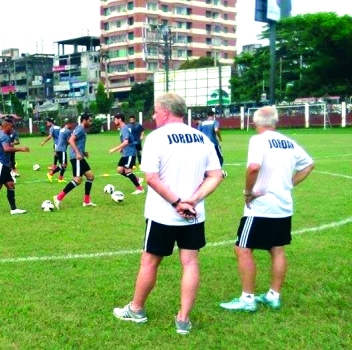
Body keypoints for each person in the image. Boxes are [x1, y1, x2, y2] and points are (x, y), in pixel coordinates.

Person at [112, 92, 223, 335]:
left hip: (163, 214)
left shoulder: (157, 137)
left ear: (165, 111)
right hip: (193, 214)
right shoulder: (201, 138)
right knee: (191, 263)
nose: (153, 115)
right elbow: (216, 175)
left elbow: (151, 178)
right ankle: (183, 320)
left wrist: (177, 202)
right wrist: (191, 201)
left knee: (150, 262)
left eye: (155, 111)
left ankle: (136, 309)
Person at [219, 106, 314, 312]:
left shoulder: (258, 140)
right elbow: (309, 164)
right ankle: (274, 295)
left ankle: (247, 299)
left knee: (242, 249)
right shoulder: (289, 142)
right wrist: (289, 183)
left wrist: (247, 191)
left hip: (261, 206)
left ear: (255, 123)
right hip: (283, 205)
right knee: (277, 249)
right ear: (276, 122)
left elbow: (253, 167)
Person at [52, 113, 97, 209]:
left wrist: (83, 152)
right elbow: (71, 140)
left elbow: (77, 142)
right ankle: (58, 197)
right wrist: (77, 153)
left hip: (80, 157)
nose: (91, 122)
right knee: (77, 179)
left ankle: (86, 201)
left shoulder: (81, 129)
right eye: (89, 120)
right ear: (84, 120)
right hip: (76, 158)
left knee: (90, 176)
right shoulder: (80, 129)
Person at [109, 114, 145, 194]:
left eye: (115, 120)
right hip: (126, 153)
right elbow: (129, 140)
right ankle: (138, 179)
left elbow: (126, 142)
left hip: (130, 153)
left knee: (128, 171)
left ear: (120, 120)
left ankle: (140, 189)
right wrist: (122, 149)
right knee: (120, 170)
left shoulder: (124, 129)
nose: (114, 122)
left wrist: (114, 149)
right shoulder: (123, 129)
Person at [46, 117, 75, 183]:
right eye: (72, 125)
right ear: (68, 124)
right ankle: (51, 174)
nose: (72, 126)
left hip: (58, 148)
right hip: (62, 149)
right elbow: (69, 141)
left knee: (65, 164)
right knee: (63, 164)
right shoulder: (67, 131)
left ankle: (60, 178)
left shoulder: (62, 129)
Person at [198, 111, 225, 175]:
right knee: (220, 157)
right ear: (213, 115)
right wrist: (220, 137)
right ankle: (218, 172)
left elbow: (198, 132)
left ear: (207, 116)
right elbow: (216, 130)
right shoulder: (215, 122)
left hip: (203, 144)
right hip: (213, 143)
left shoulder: (202, 123)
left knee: (205, 158)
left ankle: (204, 172)